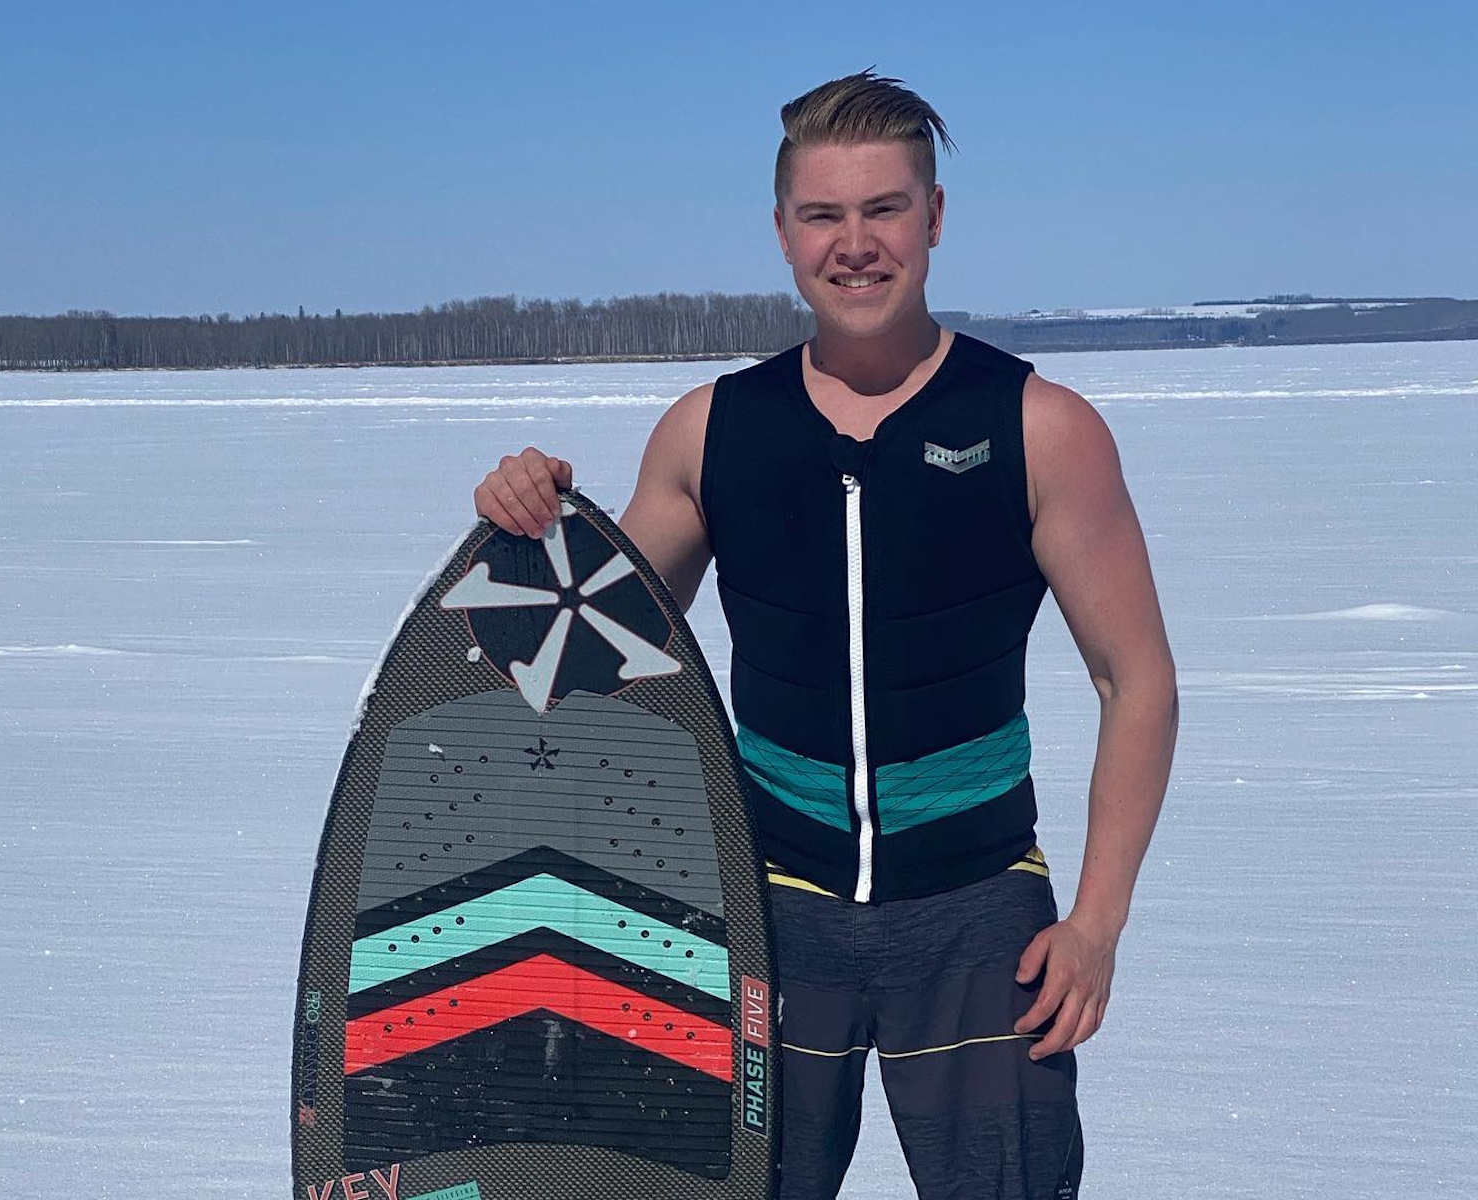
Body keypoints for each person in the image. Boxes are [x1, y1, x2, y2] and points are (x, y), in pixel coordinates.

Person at [473, 70, 1178, 1200]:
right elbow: (585, 660)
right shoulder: (715, 431)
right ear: (783, 233)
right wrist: (534, 525)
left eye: (884, 208)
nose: (855, 244)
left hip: (980, 909)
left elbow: (1134, 681)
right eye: (823, 215)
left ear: (934, 217)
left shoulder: (1037, 427)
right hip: (768, 911)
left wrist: (1095, 924)